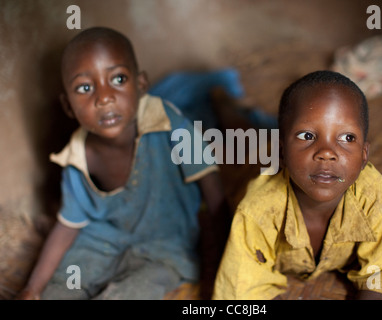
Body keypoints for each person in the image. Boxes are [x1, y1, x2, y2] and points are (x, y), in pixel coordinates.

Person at [16, 26, 229, 300]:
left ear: (141, 85)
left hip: (164, 248)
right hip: (100, 244)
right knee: (58, 291)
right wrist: (32, 290)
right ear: (68, 106)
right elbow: (68, 225)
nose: (104, 97)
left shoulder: (170, 124)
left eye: (118, 78)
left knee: (131, 294)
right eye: (85, 87)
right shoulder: (78, 157)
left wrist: (222, 266)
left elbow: (214, 195)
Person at [212, 70, 382, 300]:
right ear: (282, 151)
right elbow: (245, 289)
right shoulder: (257, 210)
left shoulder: (376, 198)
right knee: (241, 136)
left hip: (283, 149)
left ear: (364, 154)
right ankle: (223, 103)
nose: (327, 152)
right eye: (307, 135)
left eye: (347, 138)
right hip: (259, 160)